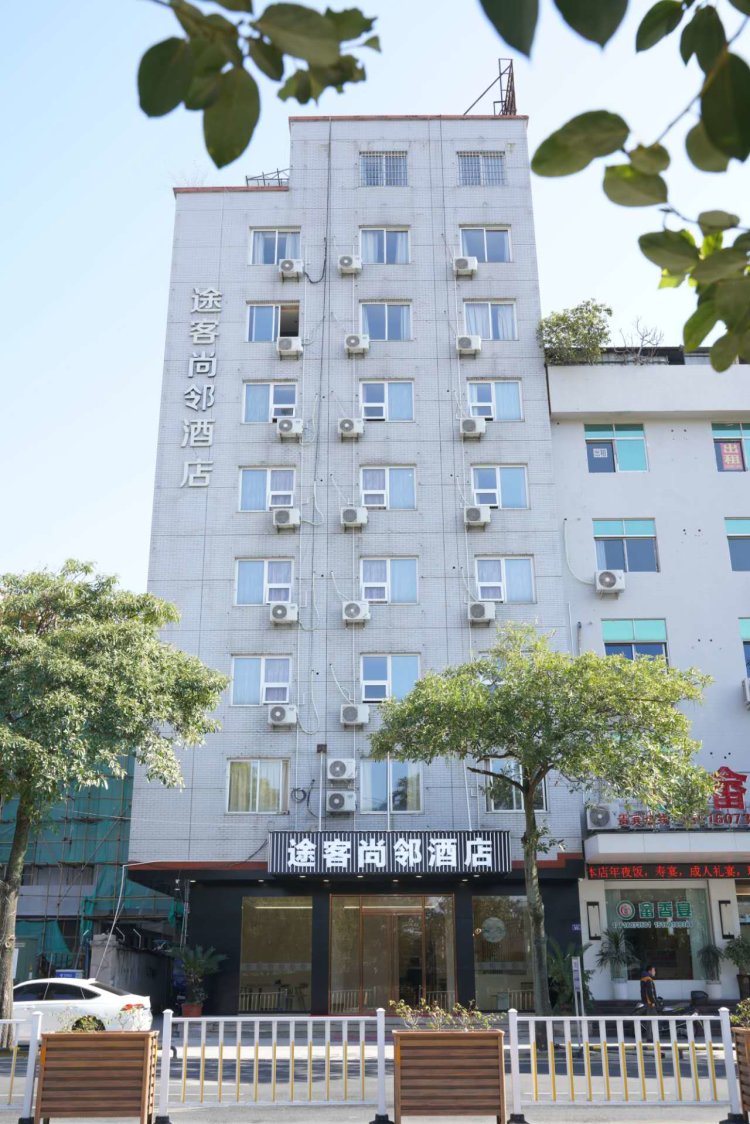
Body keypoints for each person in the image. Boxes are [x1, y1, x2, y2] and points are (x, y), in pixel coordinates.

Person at [639, 964, 659, 1044]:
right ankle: (650, 1038)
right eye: (654, 970)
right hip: (650, 1003)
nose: (655, 972)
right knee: (652, 1020)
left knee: (650, 1020)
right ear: (649, 971)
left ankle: (651, 1037)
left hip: (647, 1002)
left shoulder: (643, 978)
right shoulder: (648, 979)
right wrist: (653, 1002)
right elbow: (650, 992)